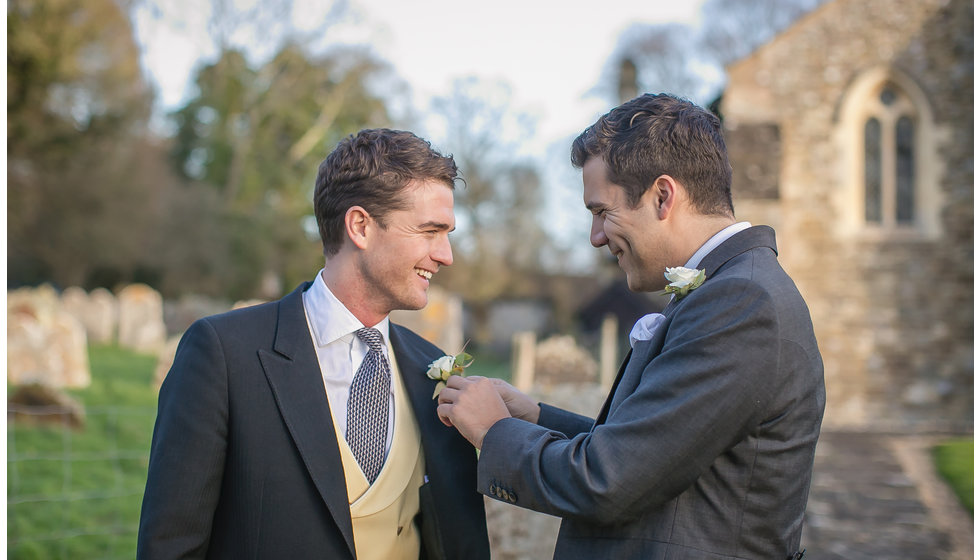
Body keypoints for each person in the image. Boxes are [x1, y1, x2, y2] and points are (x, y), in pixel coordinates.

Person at [437, 93, 825, 560]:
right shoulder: (734, 288)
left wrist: (494, 431)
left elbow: (608, 480)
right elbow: (655, 450)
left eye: (602, 211)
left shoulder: (742, 302)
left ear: (663, 196)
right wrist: (535, 417)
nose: (596, 237)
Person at [138, 128, 490, 560]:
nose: (446, 255)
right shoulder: (224, 356)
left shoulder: (434, 370)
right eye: (430, 231)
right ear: (360, 226)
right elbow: (171, 547)